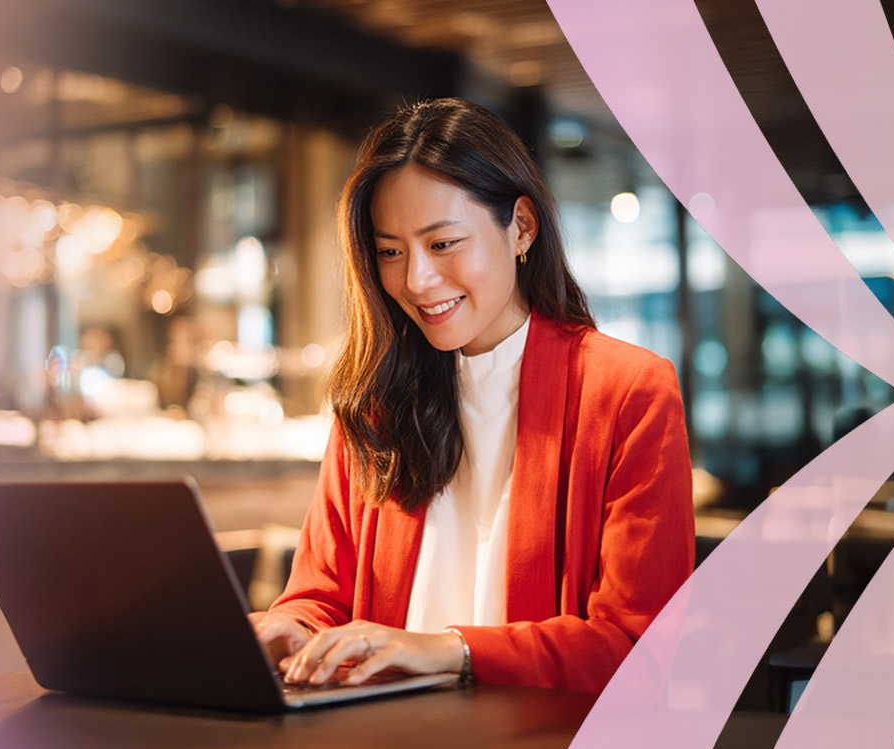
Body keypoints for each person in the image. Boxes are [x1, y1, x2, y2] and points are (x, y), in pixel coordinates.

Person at [247, 98, 693, 693]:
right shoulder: (375, 399)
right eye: (390, 251)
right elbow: (320, 592)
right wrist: (294, 626)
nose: (415, 281)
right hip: (382, 742)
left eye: (443, 243)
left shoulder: (627, 391)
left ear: (521, 229)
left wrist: (450, 651)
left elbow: (636, 648)